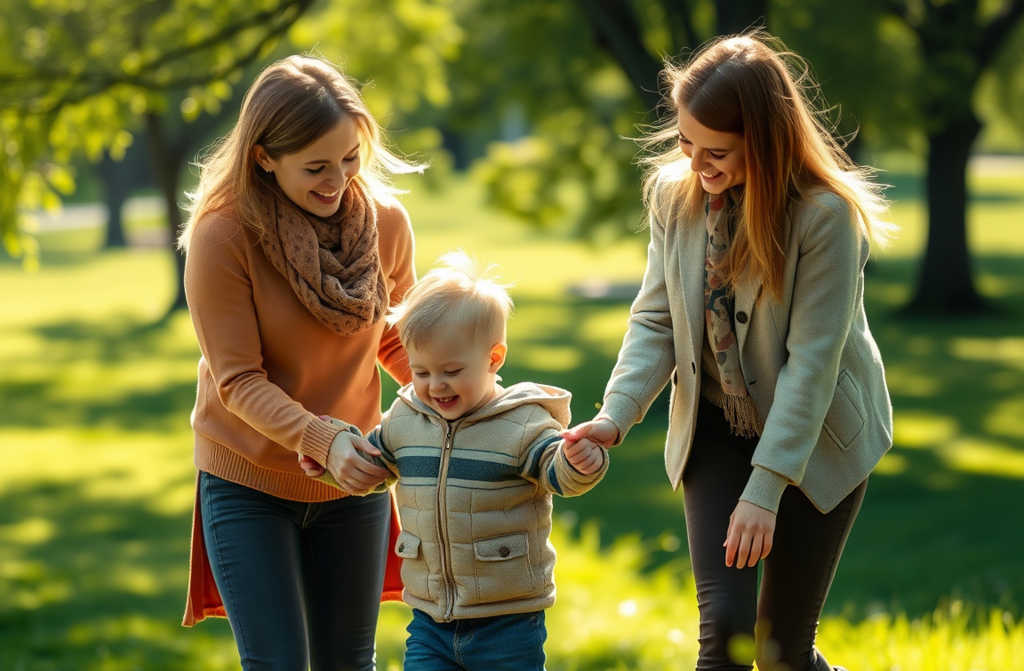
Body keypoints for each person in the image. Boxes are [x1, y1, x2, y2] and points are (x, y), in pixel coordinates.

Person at [562, 31, 893, 671]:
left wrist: (766, 489)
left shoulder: (827, 217)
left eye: (716, 151)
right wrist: (615, 414)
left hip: (819, 433)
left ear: (767, 144)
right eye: (686, 142)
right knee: (725, 636)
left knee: (778, 653)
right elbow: (656, 317)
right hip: (714, 426)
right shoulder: (673, 196)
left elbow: (812, 365)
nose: (695, 164)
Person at [178, 54, 424, 671]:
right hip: (249, 482)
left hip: (355, 477)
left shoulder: (386, 224)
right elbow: (237, 381)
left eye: (349, 159)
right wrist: (324, 438)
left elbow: (394, 339)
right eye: (316, 166)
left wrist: (465, 392)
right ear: (264, 156)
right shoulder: (224, 235)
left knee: (349, 661)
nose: (337, 180)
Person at [300, 251, 609, 671]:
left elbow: (557, 473)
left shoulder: (522, 423)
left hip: (508, 621)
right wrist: (335, 462)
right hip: (430, 620)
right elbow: (372, 468)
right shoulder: (407, 419)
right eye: (421, 372)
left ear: (494, 358)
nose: (434, 386)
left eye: (450, 371)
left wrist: (579, 461)